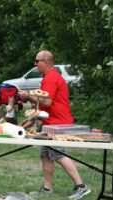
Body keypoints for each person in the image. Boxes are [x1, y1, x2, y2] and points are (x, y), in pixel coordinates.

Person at [18, 50, 91, 199]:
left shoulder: (50, 78)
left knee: (58, 153)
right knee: (45, 155)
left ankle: (81, 186)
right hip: (50, 122)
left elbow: (47, 101)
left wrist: (27, 96)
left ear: (46, 62)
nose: (35, 64)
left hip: (58, 123)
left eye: (37, 61)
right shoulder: (50, 77)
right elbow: (45, 102)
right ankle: (47, 188)